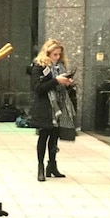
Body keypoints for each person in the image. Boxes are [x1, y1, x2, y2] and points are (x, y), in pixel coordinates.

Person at [29, 38, 76, 182]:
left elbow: (62, 87)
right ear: (47, 53)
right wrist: (56, 81)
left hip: (60, 107)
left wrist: (68, 83)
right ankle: (40, 167)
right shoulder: (39, 66)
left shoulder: (60, 67)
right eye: (54, 54)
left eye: (59, 55)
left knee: (55, 137)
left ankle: (52, 165)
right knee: (44, 137)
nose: (57, 57)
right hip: (45, 107)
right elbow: (37, 88)